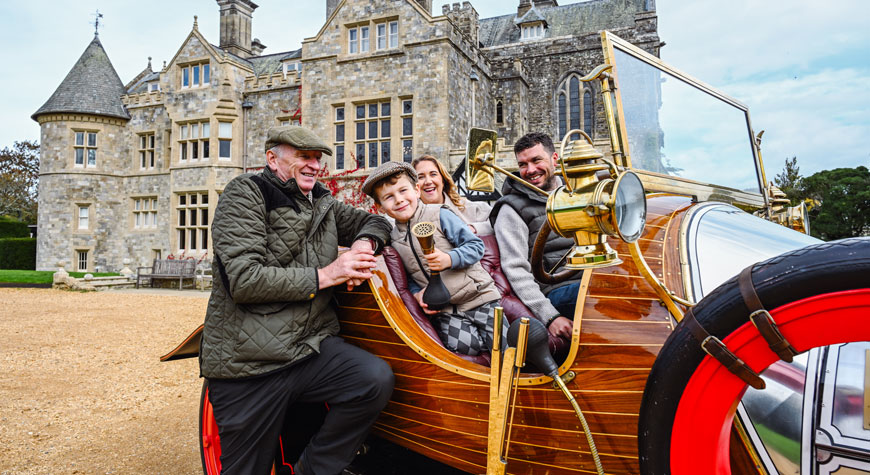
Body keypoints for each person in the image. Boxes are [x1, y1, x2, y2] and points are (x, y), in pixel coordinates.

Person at [199, 125, 394, 475]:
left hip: (307, 351)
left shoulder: (321, 200)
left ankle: (312, 470)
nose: (314, 164)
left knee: (372, 379)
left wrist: (364, 245)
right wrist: (329, 274)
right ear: (272, 159)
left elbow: (375, 221)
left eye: (317, 158)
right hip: (250, 365)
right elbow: (244, 280)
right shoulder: (247, 192)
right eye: (304, 156)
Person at [362, 161, 507, 356]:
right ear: (380, 207)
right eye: (389, 197)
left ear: (416, 190)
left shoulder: (439, 214)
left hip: (478, 297)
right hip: (446, 310)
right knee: (465, 347)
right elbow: (411, 276)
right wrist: (416, 293)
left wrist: (449, 258)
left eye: (403, 190)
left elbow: (476, 246)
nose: (399, 200)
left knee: (505, 348)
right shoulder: (394, 238)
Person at [490, 132, 581, 342]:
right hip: (559, 290)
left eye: (536, 160)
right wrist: (551, 317)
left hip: (594, 279)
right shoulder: (512, 208)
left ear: (555, 159)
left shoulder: (576, 194)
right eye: (523, 164)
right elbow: (515, 270)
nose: (530, 170)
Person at [413, 155, 493, 235]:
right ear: (414, 186)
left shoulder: (469, 208)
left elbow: (499, 221)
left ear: (443, 180)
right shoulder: (411, 217)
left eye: (433, 174)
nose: (428, 181)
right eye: (421, 177)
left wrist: (474, 228)